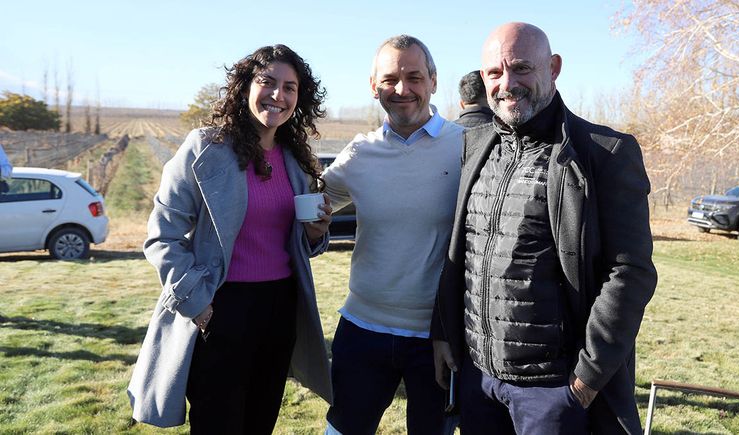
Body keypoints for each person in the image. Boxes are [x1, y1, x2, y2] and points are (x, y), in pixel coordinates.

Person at [431, 22, 657, 435]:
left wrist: (585, 381)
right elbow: (461, 252)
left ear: (553, 68)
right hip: (479, 382)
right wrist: (444, 331)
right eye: (495, 73)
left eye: (521, 68)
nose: (507, 84)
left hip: (553, 392)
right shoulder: (474, 146)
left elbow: (630, 272)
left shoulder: (604, 152)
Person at [127, 44, 333, 433]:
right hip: (222, 307)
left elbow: (298, 243)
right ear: (244, 88)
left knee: (260, 422)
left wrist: (314, 233)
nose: (278, 95)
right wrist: (199, 305)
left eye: (290, 87)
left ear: (299, 98)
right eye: (267, 82)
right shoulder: (206, 148)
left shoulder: (294, 158)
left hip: (281, 308)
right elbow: (163, 236)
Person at [322, 35, 463, 434]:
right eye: (389, 79)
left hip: (437, 338)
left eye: (414, 77)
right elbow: (315, 202)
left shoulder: (465, 147)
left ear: (433, 81)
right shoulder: (359, 153)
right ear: (374, 86)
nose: (402, 89)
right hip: (362, 329)